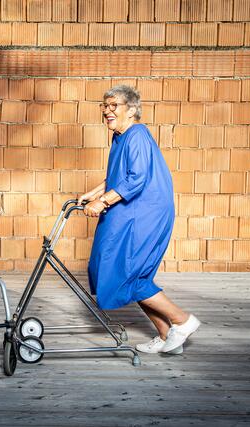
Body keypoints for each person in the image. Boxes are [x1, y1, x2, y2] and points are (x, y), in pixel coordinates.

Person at [78, 85, 200, 356]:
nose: (107, 111)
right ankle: (168, 335)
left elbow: (137, 178)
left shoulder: (137, 135)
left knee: (129, 274)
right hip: (130, 211)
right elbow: (118, 176)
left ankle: (182, 320)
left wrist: (103, 201)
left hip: (144, 212)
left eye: (114, 106)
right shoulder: (120, 138)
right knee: (126, 272)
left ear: (131, 110)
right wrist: (92, 194)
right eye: (104, 106)